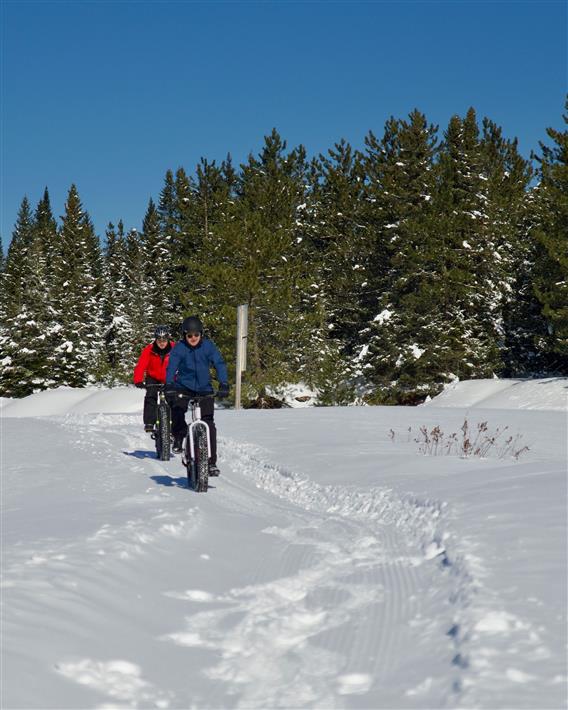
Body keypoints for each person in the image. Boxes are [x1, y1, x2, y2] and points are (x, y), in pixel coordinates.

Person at [165, 315, 229, 476]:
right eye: (189, 335)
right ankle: (179, 436)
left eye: (196, 335)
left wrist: (224, 383)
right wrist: (169, 384)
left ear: (201, 334)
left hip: (204, 388)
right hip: (183, 386)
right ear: (184, 336)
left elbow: (219, 363)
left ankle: (211, 462)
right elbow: (172, 366)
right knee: (177, 408)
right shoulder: (179, 348)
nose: (193, 338)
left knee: (209, 424)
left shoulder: (208, 346)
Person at [133, 325, 175, 432]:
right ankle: (149, 422)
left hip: (169, 377)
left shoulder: (175, 349)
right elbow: (141, 365)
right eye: (159, 340)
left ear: (168, 339)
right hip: (153, 377)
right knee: (150, 396)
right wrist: (138, 379)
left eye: (164, 340)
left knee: (173, 399)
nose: (162, 342)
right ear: (155, 340)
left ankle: (176, 423)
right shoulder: (149, 350)